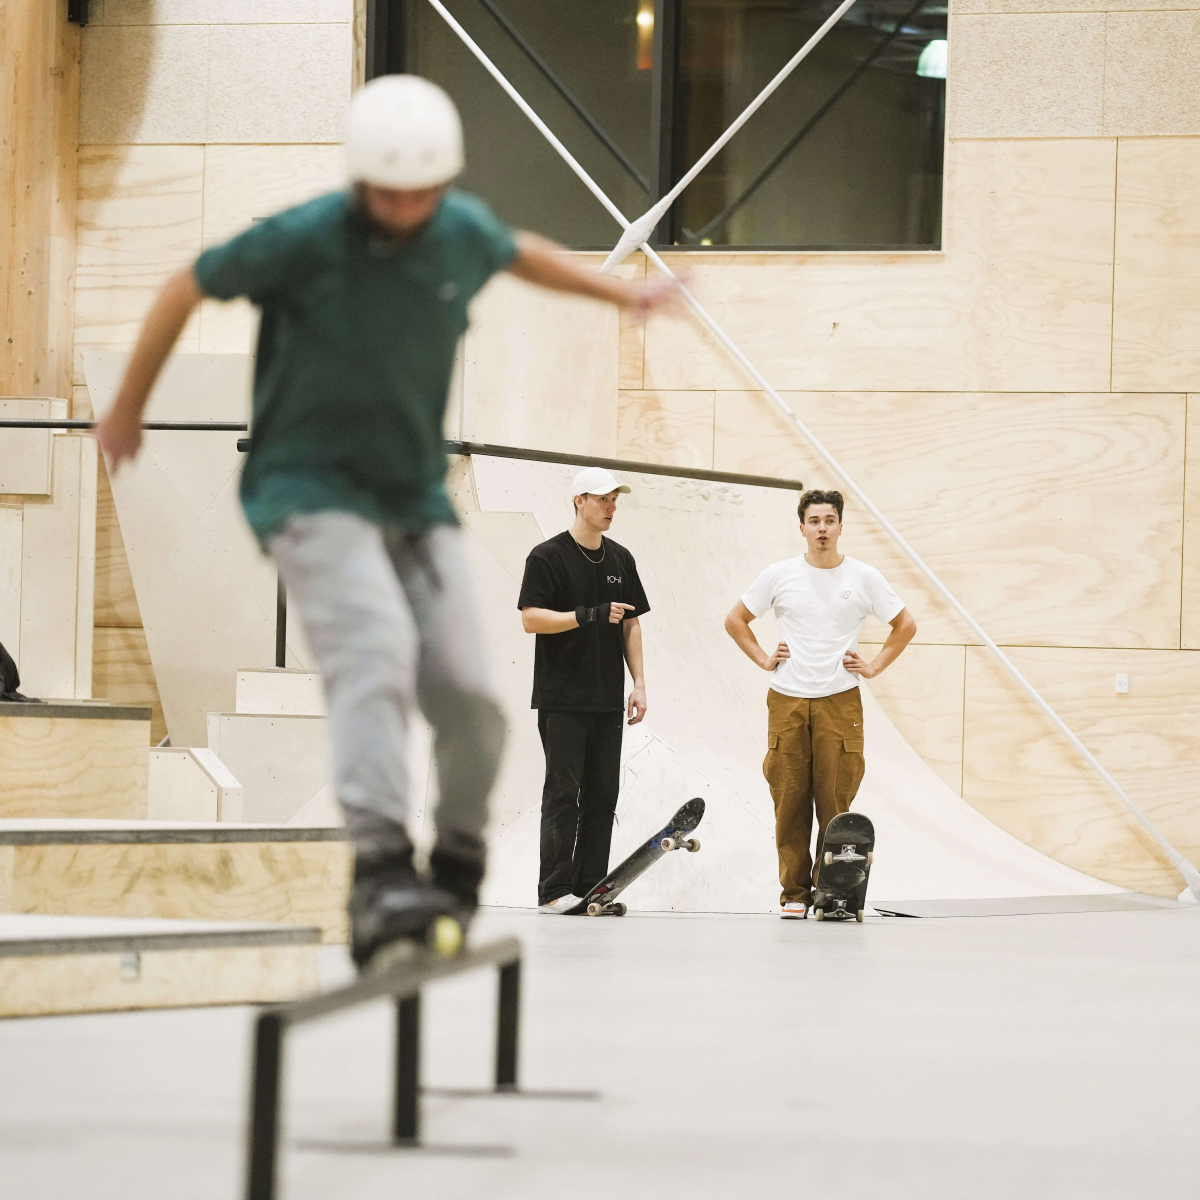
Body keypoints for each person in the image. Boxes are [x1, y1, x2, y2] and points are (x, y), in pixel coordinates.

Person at [95, 75, 677, 972]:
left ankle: (451, 864)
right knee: (371, 652)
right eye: (387, 193)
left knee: (472, 699)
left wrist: (622, 298)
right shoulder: (302, 238)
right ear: (359, 176)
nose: (405, 210)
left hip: (411, 497)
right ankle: (376, 866)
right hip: (306, 489)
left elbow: (523, 251)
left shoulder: (460, 230)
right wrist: (128, 407)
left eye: (422, 193)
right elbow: (185, 286)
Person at [724, 489, 916, 919]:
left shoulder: (864, 577)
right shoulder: (779, 574)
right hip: (788, 698)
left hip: (839, 701)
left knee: (834, 799)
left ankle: (833, 895)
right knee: (789, 797)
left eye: (830, 520)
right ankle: (794, 894)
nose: (822, 529)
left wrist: (875, 666)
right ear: (802, 528)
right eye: (814, 521)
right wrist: (762, 658)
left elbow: (905, 623)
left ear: (841, 526)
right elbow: (735, 620)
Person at [517, 467, 650, 913]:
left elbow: (631, 624)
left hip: (607, 698)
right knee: (562, 793)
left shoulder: (621, 559)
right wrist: (586, 614)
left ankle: (592, 887)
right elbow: (532, 618)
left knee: (602, 795)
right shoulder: (547, 556)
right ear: (579, 501)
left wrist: (640, 684)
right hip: (562, 698)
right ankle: (553, 890)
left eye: (615, 499)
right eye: (602, 499)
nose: (611, 507)